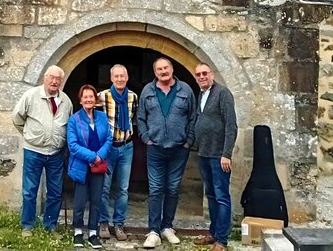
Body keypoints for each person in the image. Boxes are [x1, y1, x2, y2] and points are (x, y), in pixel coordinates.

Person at [137, 57, 196, 248]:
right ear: (155, 73)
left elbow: (193, 117)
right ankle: (153, 231)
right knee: (155, 189)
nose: (163, 71)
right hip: (155, 149)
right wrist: (147, 138)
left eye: (166, 68)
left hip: (179, 149)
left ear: (172, 69)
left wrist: (189, 141)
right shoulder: (148, 91)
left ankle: (167, 227)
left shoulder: (185, 90)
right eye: (159, 69)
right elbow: (141, 118)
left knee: (172, 188)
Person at [12, 65, 73, 238]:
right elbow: (17, 118)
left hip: (56, 153)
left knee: (55, 191)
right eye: (51, 77)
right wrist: (29, 135)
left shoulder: (66, 101)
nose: (54, 81)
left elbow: (69, 124)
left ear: (61, 81)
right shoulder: (31, 96)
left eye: (58, 79)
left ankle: (50, 225)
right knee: (30, 190)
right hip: (34, 151)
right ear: (45, 78)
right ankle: (27, 226)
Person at [193, 62, 237, 251]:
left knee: (221, 197)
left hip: (219, 156)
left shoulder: (222, 93)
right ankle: (213, 233)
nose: (201, 77)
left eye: (204, 73)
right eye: (198, 74)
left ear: (211, 74)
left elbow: (231, 125)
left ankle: (222, 241)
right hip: (203, 153)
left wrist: (226, 154)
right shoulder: (201, 95)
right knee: (210, 195)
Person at [67, 84, 112, 249]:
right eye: (85, 97)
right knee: (79, 201)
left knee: (96, 200)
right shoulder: (74, 119)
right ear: (80, 100)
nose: (88, 99)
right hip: (81, 165)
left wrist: (99, 156)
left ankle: (93, 232)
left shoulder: (102, 117)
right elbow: (72, 145)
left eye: (91, 97)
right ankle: (78, 231)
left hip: (98, 166)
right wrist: (92, 157)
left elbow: (108, 138)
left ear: (95, 100)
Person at [97, 64, 138, 241]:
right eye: (116, 76)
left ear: (127, 77)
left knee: (123, 188)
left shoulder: (133, 97)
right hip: (108, 148)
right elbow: (96, 121)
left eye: (123, 76)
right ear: (111, 78)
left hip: (127, 146)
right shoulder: (102, 96)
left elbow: (134, 118)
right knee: (104, 187)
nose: (120, 79)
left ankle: (119, 224)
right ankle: (103, 222)